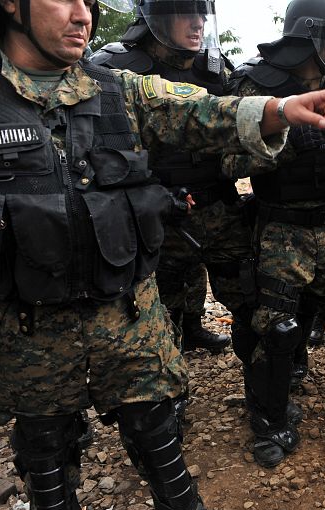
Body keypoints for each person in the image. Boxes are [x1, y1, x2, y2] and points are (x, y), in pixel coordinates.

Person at [0, 0, 325, 510]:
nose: (81, 15)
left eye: (88, 2)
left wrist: (278, 111)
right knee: (46, 450)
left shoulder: (114, 89)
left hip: (126, 315)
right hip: (29, 330)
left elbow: (198, 110)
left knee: (155, 422)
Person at [223, 0, 325, 468]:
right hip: (282, 226)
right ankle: (271, 419)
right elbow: (226, 161)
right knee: (277, 328)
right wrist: (287, 142)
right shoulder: (257, 83)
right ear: (310, 38)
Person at [90, 0, 237, 354]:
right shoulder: (113, 68)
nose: (198, 22)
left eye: (202, 13)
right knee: (161, 291)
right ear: (155, 16)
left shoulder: (216, 71)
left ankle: (194, 327)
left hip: (213, 200)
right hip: (154, 208)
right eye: (185, 12)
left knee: (207, 276)